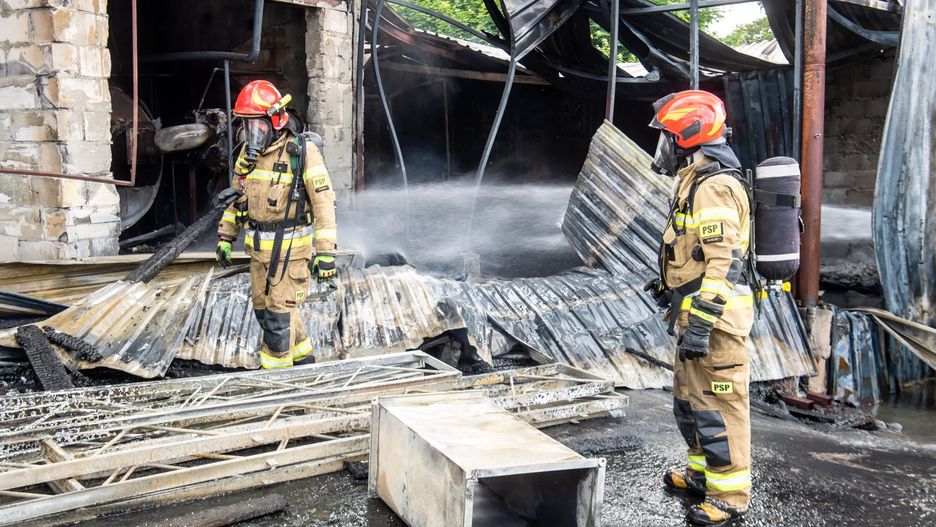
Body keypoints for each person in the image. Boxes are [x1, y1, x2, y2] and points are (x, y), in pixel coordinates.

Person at [644, 90, 755, 526]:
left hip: (716, 324)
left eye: (668, 136)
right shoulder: (695, 179)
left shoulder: (715, 186)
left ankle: (730, 498)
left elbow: (724, 263)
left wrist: (702, 324)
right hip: (696, 316)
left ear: (689, 135)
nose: (664, 146)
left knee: (719, 408)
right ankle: (701, 475)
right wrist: (669, 284)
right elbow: (691, 251)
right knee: (690, 402)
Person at [216, 80, 338, 369]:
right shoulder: (247, 156)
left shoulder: (302, 152)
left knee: (277, 318)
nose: (251, 131)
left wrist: (326, 253)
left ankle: (276, 381)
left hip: (291, 253)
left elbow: (324, 203)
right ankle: (304, 362)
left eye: (257, 123)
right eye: (246, 124)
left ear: (275, 119)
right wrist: (225, 236)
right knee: (266, 313)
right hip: (258, 252)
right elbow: (237, 197)